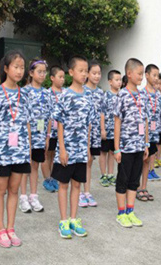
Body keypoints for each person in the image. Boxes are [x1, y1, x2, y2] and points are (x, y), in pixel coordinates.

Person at [0, 50, 31, 248]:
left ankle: (11, 228)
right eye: (15, 67)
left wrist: (28, 149)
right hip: (2, 153)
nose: (19, 71)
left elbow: (27, 123)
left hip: (20, 152)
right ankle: (0, 229)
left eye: (22, 67)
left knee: (14, 190)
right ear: (6, 69)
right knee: (0, 190)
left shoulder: (25, 94)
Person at [51, 55, 93, 239]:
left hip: (81, 150)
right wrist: (61, 149)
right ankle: (63, 220)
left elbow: (89, 125)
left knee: (77, 185)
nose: (84, 74)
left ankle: (74, 219)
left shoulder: (89, 96)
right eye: (80, 70)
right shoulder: (65, 95)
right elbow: (59, 123)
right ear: (71, 72)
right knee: (64, 185)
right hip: (67, 150)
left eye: (86, 71)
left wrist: (88, 149)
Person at [114, 58, 149, 227]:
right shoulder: (122, 94)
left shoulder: (143, 95)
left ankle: (130, 210)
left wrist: (146, 143)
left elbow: (145, 121)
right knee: (123, 179)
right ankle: (121, 213)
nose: (141, 77)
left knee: (135, 180)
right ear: (129, 74)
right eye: (139, 73)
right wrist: (116, 148)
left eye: (142, 74)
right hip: (126, 146)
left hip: (139, 146)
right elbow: (117, 122)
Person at [19, 58, 51, 213]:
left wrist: (47, 136)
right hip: (26, 136)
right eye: (39, 72)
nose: (42, 75)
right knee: (25, 166)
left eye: (44, 72)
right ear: (31, 73)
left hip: (40, 136)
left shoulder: (47, 93)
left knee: (35, 165)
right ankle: (23, 197)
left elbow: (49, 117)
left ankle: (33, 195)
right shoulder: (24, 92)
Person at [80, 60, 105, 208]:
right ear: (88, 74)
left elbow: (102, 112)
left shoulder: (100, 92)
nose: (96, 76)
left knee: (89, 162)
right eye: (94, 73)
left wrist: (102, 129)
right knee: (82, 162)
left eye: (99, 73)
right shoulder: (82, 90)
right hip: (84, 133)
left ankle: (87, 192)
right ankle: (79, 193)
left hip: (95, 133)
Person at [137, 64, 161, 202]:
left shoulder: (159, 95)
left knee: (148, 161)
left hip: (153, 133)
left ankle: (144, 187)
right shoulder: (141, 94)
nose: (156, 78)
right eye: (154, 75)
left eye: (158, 75)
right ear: (147, 75)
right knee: (139, 161)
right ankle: (135, 187)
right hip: (142, 134)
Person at [43, 65, 65, 193]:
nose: (62, 79)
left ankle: (53, 177)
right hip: (49, 130)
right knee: (47, 154)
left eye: (63, 77)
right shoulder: (47, 93)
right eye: (59, 77)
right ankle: (47, 179)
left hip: (61, 131)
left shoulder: (65, 93)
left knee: (56, 154)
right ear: (52, 78)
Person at [100, 70, 122, 187]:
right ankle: (103, 175)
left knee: (112, 153)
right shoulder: (106, 95)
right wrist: (102, 129)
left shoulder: (121, 95)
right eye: (116, 80)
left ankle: (110, 174)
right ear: (110, 82)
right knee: (104, 152)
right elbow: (102, 113)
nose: (119, 82)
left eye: (120, 80)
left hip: (116, 132)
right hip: (107, 130)